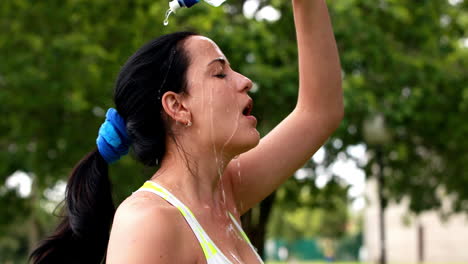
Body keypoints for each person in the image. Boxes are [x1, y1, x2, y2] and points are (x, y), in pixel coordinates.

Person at [30, 0, 343, 263]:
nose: (244, 80)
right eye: (220, 73)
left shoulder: (225, 194)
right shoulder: (148, 221)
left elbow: (319, 112)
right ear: (177, 106)